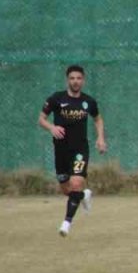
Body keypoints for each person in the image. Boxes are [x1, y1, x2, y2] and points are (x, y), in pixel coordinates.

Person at [38, 65, 107, 237]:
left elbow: (98, 119)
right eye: (72, 78)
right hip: (61, 150)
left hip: (80, 149)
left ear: (83, 80)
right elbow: (41, 119)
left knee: (76, 183)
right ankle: (84, 195)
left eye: (78, 78)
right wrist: (51, 127)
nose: (75, 81)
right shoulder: (56, 98)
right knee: (67, 190)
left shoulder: (88, 101)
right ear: (67, 80)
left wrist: (100, 138)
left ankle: (66, 223)